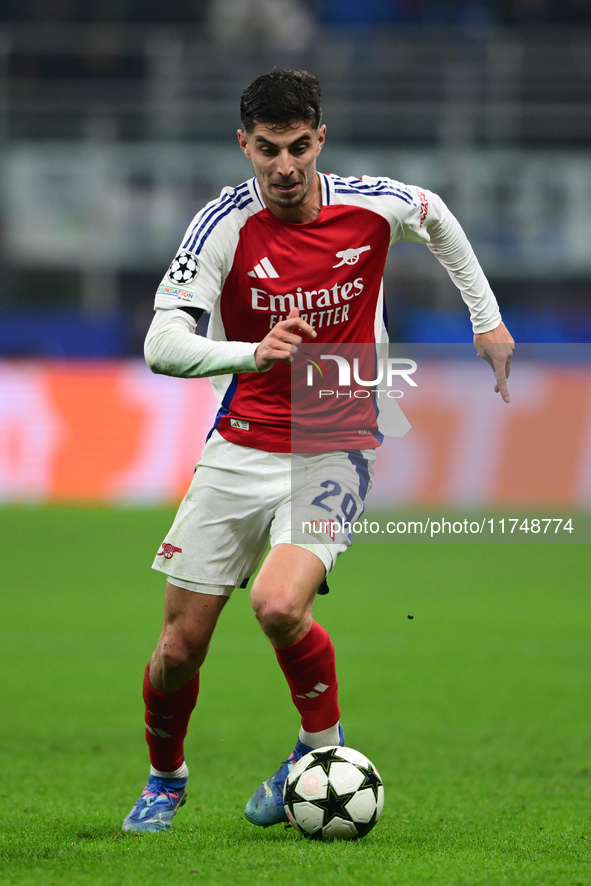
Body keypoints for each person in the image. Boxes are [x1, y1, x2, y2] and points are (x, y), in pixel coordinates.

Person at [122, 69, 514, 833]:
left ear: (319, 140)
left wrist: (486, 321)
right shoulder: (220, 228)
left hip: (336, 437)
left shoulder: (371, 204)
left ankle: (314, 753)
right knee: (177, 650)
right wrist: (249, 353)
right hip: (239, 444)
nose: (284, 166)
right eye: (267, 149)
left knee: (276, 604)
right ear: (244, 145)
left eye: (299, 147)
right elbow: (161, 343)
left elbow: (436, 218)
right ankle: (165, 780)